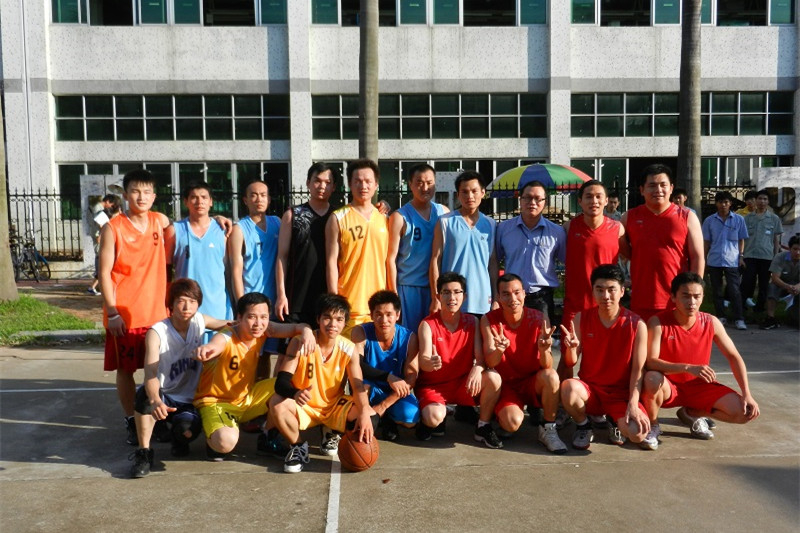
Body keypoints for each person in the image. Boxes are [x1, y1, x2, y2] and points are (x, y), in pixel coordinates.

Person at [129, 279, 234, 478]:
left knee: (186, 432)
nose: (187, 307)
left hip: (188, 399)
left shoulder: (199, 321)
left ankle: (177, 437)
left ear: (198, 304)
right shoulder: (157, 332)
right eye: (181, 301)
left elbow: (230, 325)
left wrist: (256, 324)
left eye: (192, 302)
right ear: (171, 304)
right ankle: (144, 453)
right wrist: (155, 400)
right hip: (165, 395)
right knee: (144, 395)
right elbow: (150, 374)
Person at [641, 272, 760, 446]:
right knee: (651, 378)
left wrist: (747, 394)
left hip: (699, 387)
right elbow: (650, 362)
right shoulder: (657, 322)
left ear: (703, 297)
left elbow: (734, 356)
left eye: (697, 296)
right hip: (668, 386)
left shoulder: (711, 322)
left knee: (744, 413)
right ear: (673, 297)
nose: (692, 302)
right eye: (686, 296)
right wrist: (687, 367)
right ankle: (653, 426)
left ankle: (692, 413)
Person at [193, 292, 315, 461]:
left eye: (263, 317)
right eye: (252, 317)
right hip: (217, 402)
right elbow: (215, 345)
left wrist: (307, 332)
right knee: (225, 443)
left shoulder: (264, 329)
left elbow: (296, 328)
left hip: (247, 398)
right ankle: (211, 434)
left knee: (289, 386)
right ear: (239, 318)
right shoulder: (226, 337)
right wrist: (205, 350)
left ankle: (268, 437)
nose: (258, 323)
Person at [98, 169, 171, 446]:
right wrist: (112, 312)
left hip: (157, 313)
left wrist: (221, 220)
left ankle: (157, 416)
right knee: (126, 370)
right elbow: (104, 273)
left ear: (154, 196)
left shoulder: (159, 221)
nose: (142, 197)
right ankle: (131, 419)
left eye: (147, 192)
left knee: (158, 370)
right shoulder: (113, 228)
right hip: (125, 314)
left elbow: (190, 225)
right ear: (126, 195)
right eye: (136, 191)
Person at [268, 294, 378, 473]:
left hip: (333, 405)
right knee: (276, 402)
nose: (333, 324)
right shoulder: (299, 343)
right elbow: (281, 383)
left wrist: (364, 411)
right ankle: (298, 447)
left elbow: (357, 386)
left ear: (345, 323)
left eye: (339, 319)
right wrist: (295, 393)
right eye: (327, 317)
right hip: (305, 405)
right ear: (318, 319)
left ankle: (332, 432)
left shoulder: (349, 349)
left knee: (370, 417)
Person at [559, 264, 652, 450]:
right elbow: (570, 362)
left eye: (611, 290)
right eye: (600, 290)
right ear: (593, 291)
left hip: (620, 395)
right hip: (591, 391)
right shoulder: (581, 318)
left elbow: (638, 369)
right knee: (568, 388)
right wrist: (571, 349)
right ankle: (584, 425)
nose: (605, 296)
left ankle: (613, 420)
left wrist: (633, 403)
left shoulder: (637, 324)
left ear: (622, 291)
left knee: (637, 434)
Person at [415, 272, 503, 448]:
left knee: (493, 377)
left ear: (465, 296)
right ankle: (429, 421)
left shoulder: (473, 322)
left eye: (457, 292)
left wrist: (478, 368)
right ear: (438, 297)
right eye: (446, 292)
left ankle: (483, 426)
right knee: (433, 418)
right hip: (434, 386)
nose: (452, 297)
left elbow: (480, 359)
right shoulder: (427, 324)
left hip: (462, 383)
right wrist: (430, 363)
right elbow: (423, 360)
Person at [480, 274, 564, 453]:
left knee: (551, 376)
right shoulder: (488, 320)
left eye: (517, 292)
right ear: (498, 297)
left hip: (531, 381)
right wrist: (499, 350)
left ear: (524, 294)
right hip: (505, 386)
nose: (513, 299)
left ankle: (548, 428)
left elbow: (547, 365)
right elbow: (490, 362)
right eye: (506, 294)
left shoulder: (540, 318)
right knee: (511, 423)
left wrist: (544, 350)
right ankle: (499, 414)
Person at [622, 163, 704, 322]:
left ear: (671, 188)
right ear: (642, 190)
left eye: (663, 185)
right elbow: (619, 245)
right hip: (642, 297)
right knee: (643, 338)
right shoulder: (629, 217)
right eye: (652, 185)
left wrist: (694, 293)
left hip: (677, 299)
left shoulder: (687, 217)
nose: (658, 190)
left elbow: (697, 257)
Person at [326, 158, 389, 334]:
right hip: (349, 306)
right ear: (350, 184)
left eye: (368, 181)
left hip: (379, 307)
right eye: (358, 181)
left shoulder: (385, 218)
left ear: (376, 185)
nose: (363, 186)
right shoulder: (337, 218)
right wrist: (334, 300)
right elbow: (331, 261)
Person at [387, 163, 449, 333]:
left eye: (429, 182)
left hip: (436, 288)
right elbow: (391, 259)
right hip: (409, 287)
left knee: (435, 338)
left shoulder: (443, 213)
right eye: (419, 183)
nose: (425, 187)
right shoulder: (400, 216)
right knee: (410, 337)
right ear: (410, 184)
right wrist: (394, 295)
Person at [351, 290, 420, 441]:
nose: (384, 320)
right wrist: (388, 377)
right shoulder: (360, 332)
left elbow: (411, 378)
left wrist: (383, 406)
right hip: (370, 387)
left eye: (389, 314)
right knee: (355, 408)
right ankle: (371, 415)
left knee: (410, 418)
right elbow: (357, 366)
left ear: (398, 315)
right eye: (379, 314)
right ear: (371, 315)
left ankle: (386, 417)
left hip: (395, 390)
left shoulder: (409, 338)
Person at [275, 162, 337, 325]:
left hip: (329, 299)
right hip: (297, 299)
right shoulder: (293, 215)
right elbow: (282, 257)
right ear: (308, 183)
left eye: (327, 182)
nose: (322, 186)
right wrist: (281, 294)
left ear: (334, 187)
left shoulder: (339, 216)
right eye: (317, 181)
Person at [430, 171, 497, 317]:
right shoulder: (445, 222)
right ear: (458, 195)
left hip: (482, 299)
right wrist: (436, 297)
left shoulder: (491, 225)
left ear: (483, 193)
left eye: (474, 191)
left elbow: (492, 264)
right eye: (465, 192)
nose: (470, 196)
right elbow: (436, 260)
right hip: (451, 299)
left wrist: (496, 298)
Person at [495, 180, 565, 321]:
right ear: (520, 200)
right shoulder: (503, 229)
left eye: (538, 199)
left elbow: (567, 262)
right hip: (511, 296)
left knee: (542, 335)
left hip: (542, 298)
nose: (532, 203)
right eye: (527, 198)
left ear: (545, 202)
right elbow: (494, 262)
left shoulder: (556, 232)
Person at [166, 182, 233, 325]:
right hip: (185, 309)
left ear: (211, 202)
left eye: (204, 197)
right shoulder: (175, 230)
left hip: (217, 308)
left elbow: (230, 270)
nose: (199, 201)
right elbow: (165, 269)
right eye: (194, 197)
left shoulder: (224, 231)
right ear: (185, 202)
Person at [228, 180, 281, 305]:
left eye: (263, 195)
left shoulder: (277, 223)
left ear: (269, 199)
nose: (259, 199)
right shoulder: (239, 229)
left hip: (276, 300)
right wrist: (242, 304)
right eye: (253, 195)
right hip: (251, 299)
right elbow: (236, 272)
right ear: (245, 200)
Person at [701, 191, 749, 330]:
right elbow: (706, 242)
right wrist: (704, 259)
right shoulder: (709, 221)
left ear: (730, 203)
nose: (723, 205)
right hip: (714, 260)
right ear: (716, 203)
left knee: (734, 290)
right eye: (721, 202)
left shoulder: (739, 219)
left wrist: (741, 256)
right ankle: (721, 317)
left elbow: (741, 240)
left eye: (726, 202)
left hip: (732, 260)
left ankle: (739, 318)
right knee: (717, 291)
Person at [742, 190, 783, 312]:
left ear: (768, 201)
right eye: (760, 198)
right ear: (756, 200)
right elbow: (742, 239)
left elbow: (776, 239)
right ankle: (741, 306)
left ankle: (760, 308)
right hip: (749, 255)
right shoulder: (747, 218)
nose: (762, 201)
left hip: (767, 257)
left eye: (765, 199)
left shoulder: (774, 218)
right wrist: (741, 255)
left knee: (764, 284)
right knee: (747, 282)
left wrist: (776, 257)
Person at [761, 235, 800, 330]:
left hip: (797, 287)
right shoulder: (780, 257)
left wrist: (797, 287)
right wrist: (788, 287)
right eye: (795, 249)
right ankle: (770, 318)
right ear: (789, 249)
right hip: (782, 285)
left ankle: (794, 317)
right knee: (772, 287)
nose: (797, 252)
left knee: (795, 321)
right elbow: (775, 278)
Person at [88, 194, 121, 295]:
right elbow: (101, 224)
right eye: (111, 204)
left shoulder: (96, 208)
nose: (111, 207)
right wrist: (101, 234)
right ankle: (95, 287)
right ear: (107, 202)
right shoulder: (99, 209)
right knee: (101, 260)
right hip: (98, 236)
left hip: (98, 235)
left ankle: (95, 286)